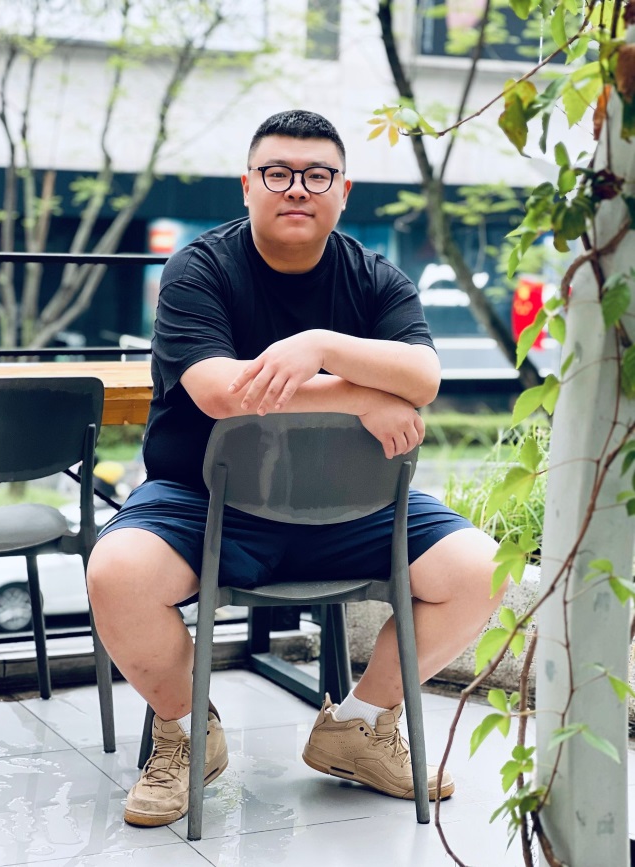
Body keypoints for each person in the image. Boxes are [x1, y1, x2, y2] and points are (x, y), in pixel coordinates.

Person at [87, 109, 502, 828]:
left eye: (317, 175)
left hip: (355, 508)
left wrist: (320, 345)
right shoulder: (199, 269)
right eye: (277, 173)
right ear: (248, 185)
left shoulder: (376, 278)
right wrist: (363, 396)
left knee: (481, 569)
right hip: (205, 501)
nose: (297, 189)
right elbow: (220, 391)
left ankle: (359, 726)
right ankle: (186, 732)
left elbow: (424, 377)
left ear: (344, 190)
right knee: (116, 574)